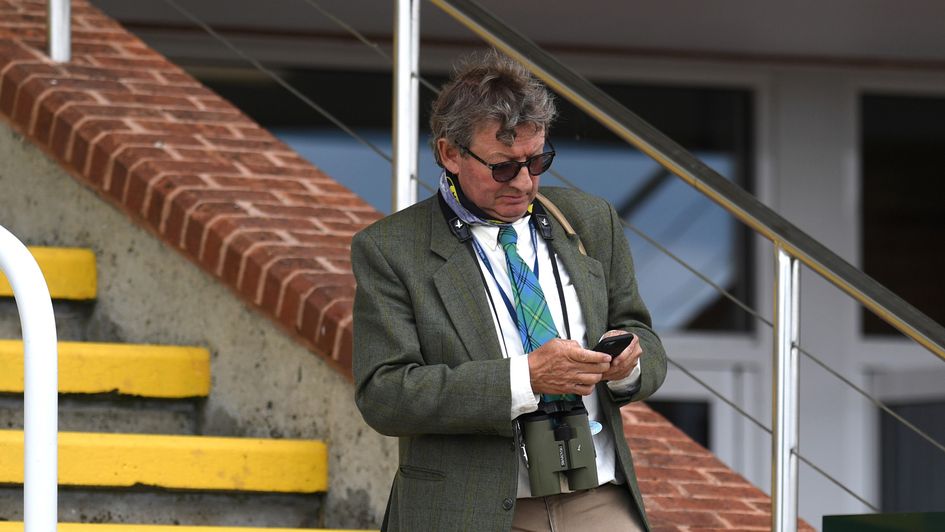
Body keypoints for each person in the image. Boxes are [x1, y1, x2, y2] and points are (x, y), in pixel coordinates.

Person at [352, 50, 667, 532]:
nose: (523, 182)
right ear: (450, 154)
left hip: (597, 493)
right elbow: (385, 394)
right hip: (469, 506)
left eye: (537, 160)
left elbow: (641, 330)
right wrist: (525, 379)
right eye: (502, 167)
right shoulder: (392, 249)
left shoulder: (590, 219)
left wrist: (628, 365)